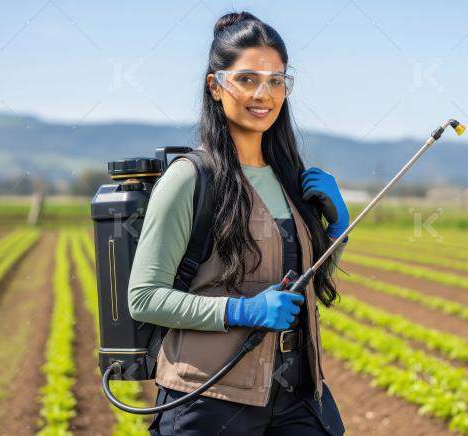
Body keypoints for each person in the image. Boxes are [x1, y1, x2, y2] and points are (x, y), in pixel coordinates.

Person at [127, 11, 348, 436]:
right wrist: (243, 310)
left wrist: (338, 229)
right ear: (215, 86)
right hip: (210, 398)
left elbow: (311, 284)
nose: (263, 93)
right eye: (246, 79)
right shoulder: (191, 178)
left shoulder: (291, 179)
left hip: (297, 391)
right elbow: (145, 297)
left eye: (276, 80)